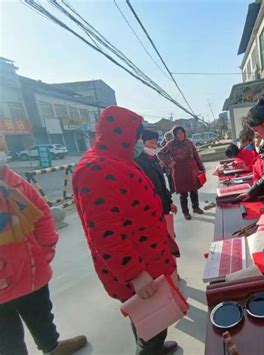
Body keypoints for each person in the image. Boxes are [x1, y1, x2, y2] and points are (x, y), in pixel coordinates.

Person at [72, 106, 178, 355]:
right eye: (136, 139)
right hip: (138, 268)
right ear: (121, 135)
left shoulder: (117, 160)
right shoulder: (95, 170)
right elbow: (105, 234)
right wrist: (135, 274)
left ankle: (155, 347)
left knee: (148, 320)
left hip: (149, 257)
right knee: (151, 319)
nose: (139, 145)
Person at [0, 151, 87, 355]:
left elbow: (42, 213)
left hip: (31, 268)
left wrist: (46, 247)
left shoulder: (13, 180)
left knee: (41, 312)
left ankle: (52, 347)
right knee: (7, 335)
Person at [134, 129, 180, 257]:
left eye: (155, 143)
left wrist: (169, 202)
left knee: (169, 238)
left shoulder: (154, 159)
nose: (153, 146)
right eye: (150, 143)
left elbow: (162, 184)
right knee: (159, 243)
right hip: (151, 210)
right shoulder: (138, 163)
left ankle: (172, 268)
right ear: (141, 143)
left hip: (162, 206)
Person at [158, 126, 205, 221]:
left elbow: (196, 155)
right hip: (179, 171)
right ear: (175, 134)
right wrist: (169, 163)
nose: (181, 134)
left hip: (192, 170)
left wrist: (201, 167)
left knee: (194, 190)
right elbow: (160, 153)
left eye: (182, 132)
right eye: (178, 133)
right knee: (183, 194)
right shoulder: (170, 144)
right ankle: (185, 212)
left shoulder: (189, 142)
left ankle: (195, 207)